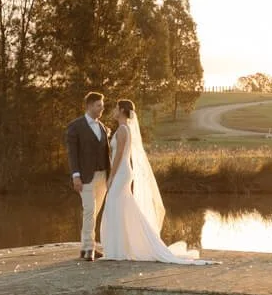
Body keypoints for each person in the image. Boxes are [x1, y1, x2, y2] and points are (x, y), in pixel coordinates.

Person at [99, 99, 208, 263]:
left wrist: (111, 177)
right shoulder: (124, 129)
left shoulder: (122, 130)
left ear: (122, 110)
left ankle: (120, 249)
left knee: (114, 205)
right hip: (124, 172)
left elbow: (119, 156)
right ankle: (122, 247)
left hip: (121, 173)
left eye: (116, 107)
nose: (113, 110)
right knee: (122, 207)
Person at [65, 91, 109, 262]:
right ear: (90, 105)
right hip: (85, 177)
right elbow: (72, 154)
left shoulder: (103, 127)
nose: (102, 108)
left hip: (102, 176)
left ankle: (86, 247)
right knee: (89, 210)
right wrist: (76, 176)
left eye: (102, 106)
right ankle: (89, 248)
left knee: (94, 213)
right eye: (99, 105)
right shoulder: (75, 126)